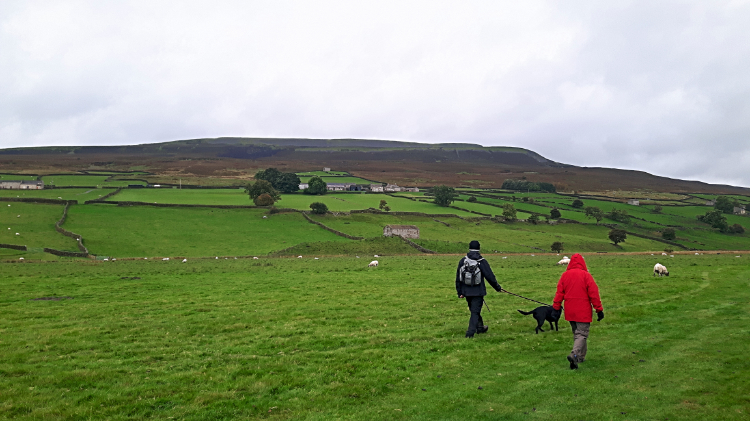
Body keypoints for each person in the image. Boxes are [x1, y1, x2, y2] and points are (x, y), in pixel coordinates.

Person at [551, 253, 604, 369]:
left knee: (577, 334)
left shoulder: (565, 275)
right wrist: (599, 309)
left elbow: (559, 293)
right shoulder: (586, 275)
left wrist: (556, 307)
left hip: (570, 310)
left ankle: (580, 358)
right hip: (583, 310)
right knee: (582, 334)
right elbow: (594, 294)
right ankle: (574, 354)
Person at [455, 240, 502, 338]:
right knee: (475, 312)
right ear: (479, 248)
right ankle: (470, 333)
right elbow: (490, 276)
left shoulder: (463, 261)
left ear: (469, 248)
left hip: (466, 291)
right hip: (478, 291)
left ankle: (480, 328)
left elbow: (458, 278)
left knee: (474, 310)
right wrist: (497, 288)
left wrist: (460, 292)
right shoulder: (481, 261)